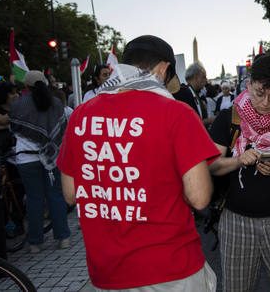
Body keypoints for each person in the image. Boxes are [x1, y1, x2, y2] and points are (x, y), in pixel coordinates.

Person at [58, 35, 219, 291]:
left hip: (108, 271)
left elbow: (70, 193)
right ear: (164, 68)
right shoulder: (176, 112)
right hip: (170, 268)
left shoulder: (81, 115)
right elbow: (199, 198)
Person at [208, 54, 270, 292]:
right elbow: (211, 165)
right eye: (259, 93)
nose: (265, 102)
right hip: (236, 221)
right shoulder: (229, 117)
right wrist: (239, 160)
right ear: (248, 85)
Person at [9, 70, 70, 254]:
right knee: (56, 197)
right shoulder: (56, 102)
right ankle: (63, 239)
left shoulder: (18, 104)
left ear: (25, 86)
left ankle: (35, 243)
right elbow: (61, 128)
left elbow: (14, 128)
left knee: (34, 200)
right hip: (52, 157)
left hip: (26, 158)